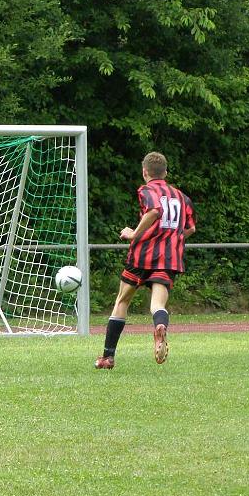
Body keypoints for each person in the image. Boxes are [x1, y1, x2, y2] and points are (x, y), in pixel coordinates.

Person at [95, 151, 196, 370]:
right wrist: (173, 238)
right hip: (168, 259)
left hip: (142, 255)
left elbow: (153, 211)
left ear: (144, 172)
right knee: (157, 305)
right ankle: (160, 325)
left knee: (122, 301)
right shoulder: (181, 196)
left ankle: (107, 357)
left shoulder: (147, 190)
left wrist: (134, 234)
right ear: (165, 172)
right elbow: (190, 228)